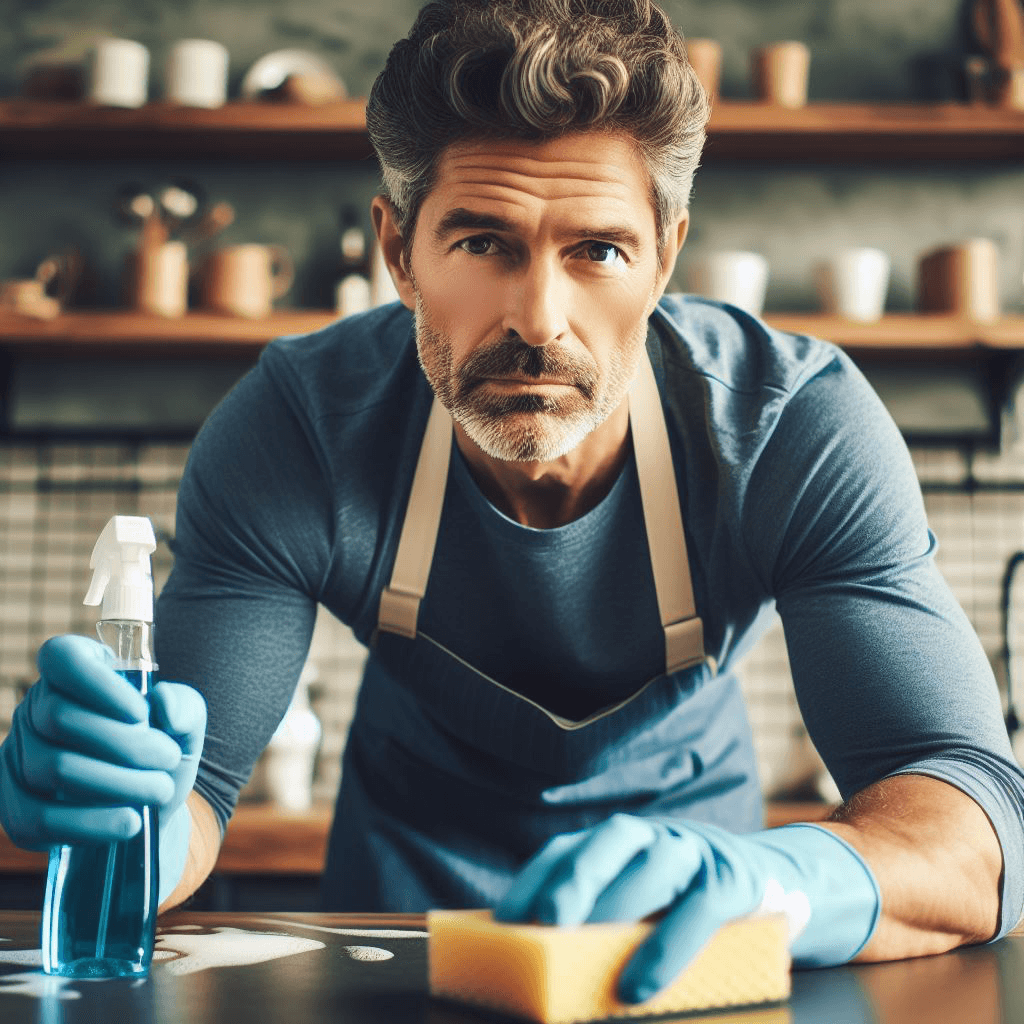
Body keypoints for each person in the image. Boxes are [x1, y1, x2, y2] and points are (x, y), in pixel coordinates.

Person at [3, 0, 1023, 1003]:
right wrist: (115, 818)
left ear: (666, 255)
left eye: (598, 251)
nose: (539, 321)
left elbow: (972, 825)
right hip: (399, 945)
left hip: (692, 944)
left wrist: (782, 883)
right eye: (483, 243)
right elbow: (196, 790)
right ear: (397, 252)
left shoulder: (792, 426)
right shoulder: (299, 428)